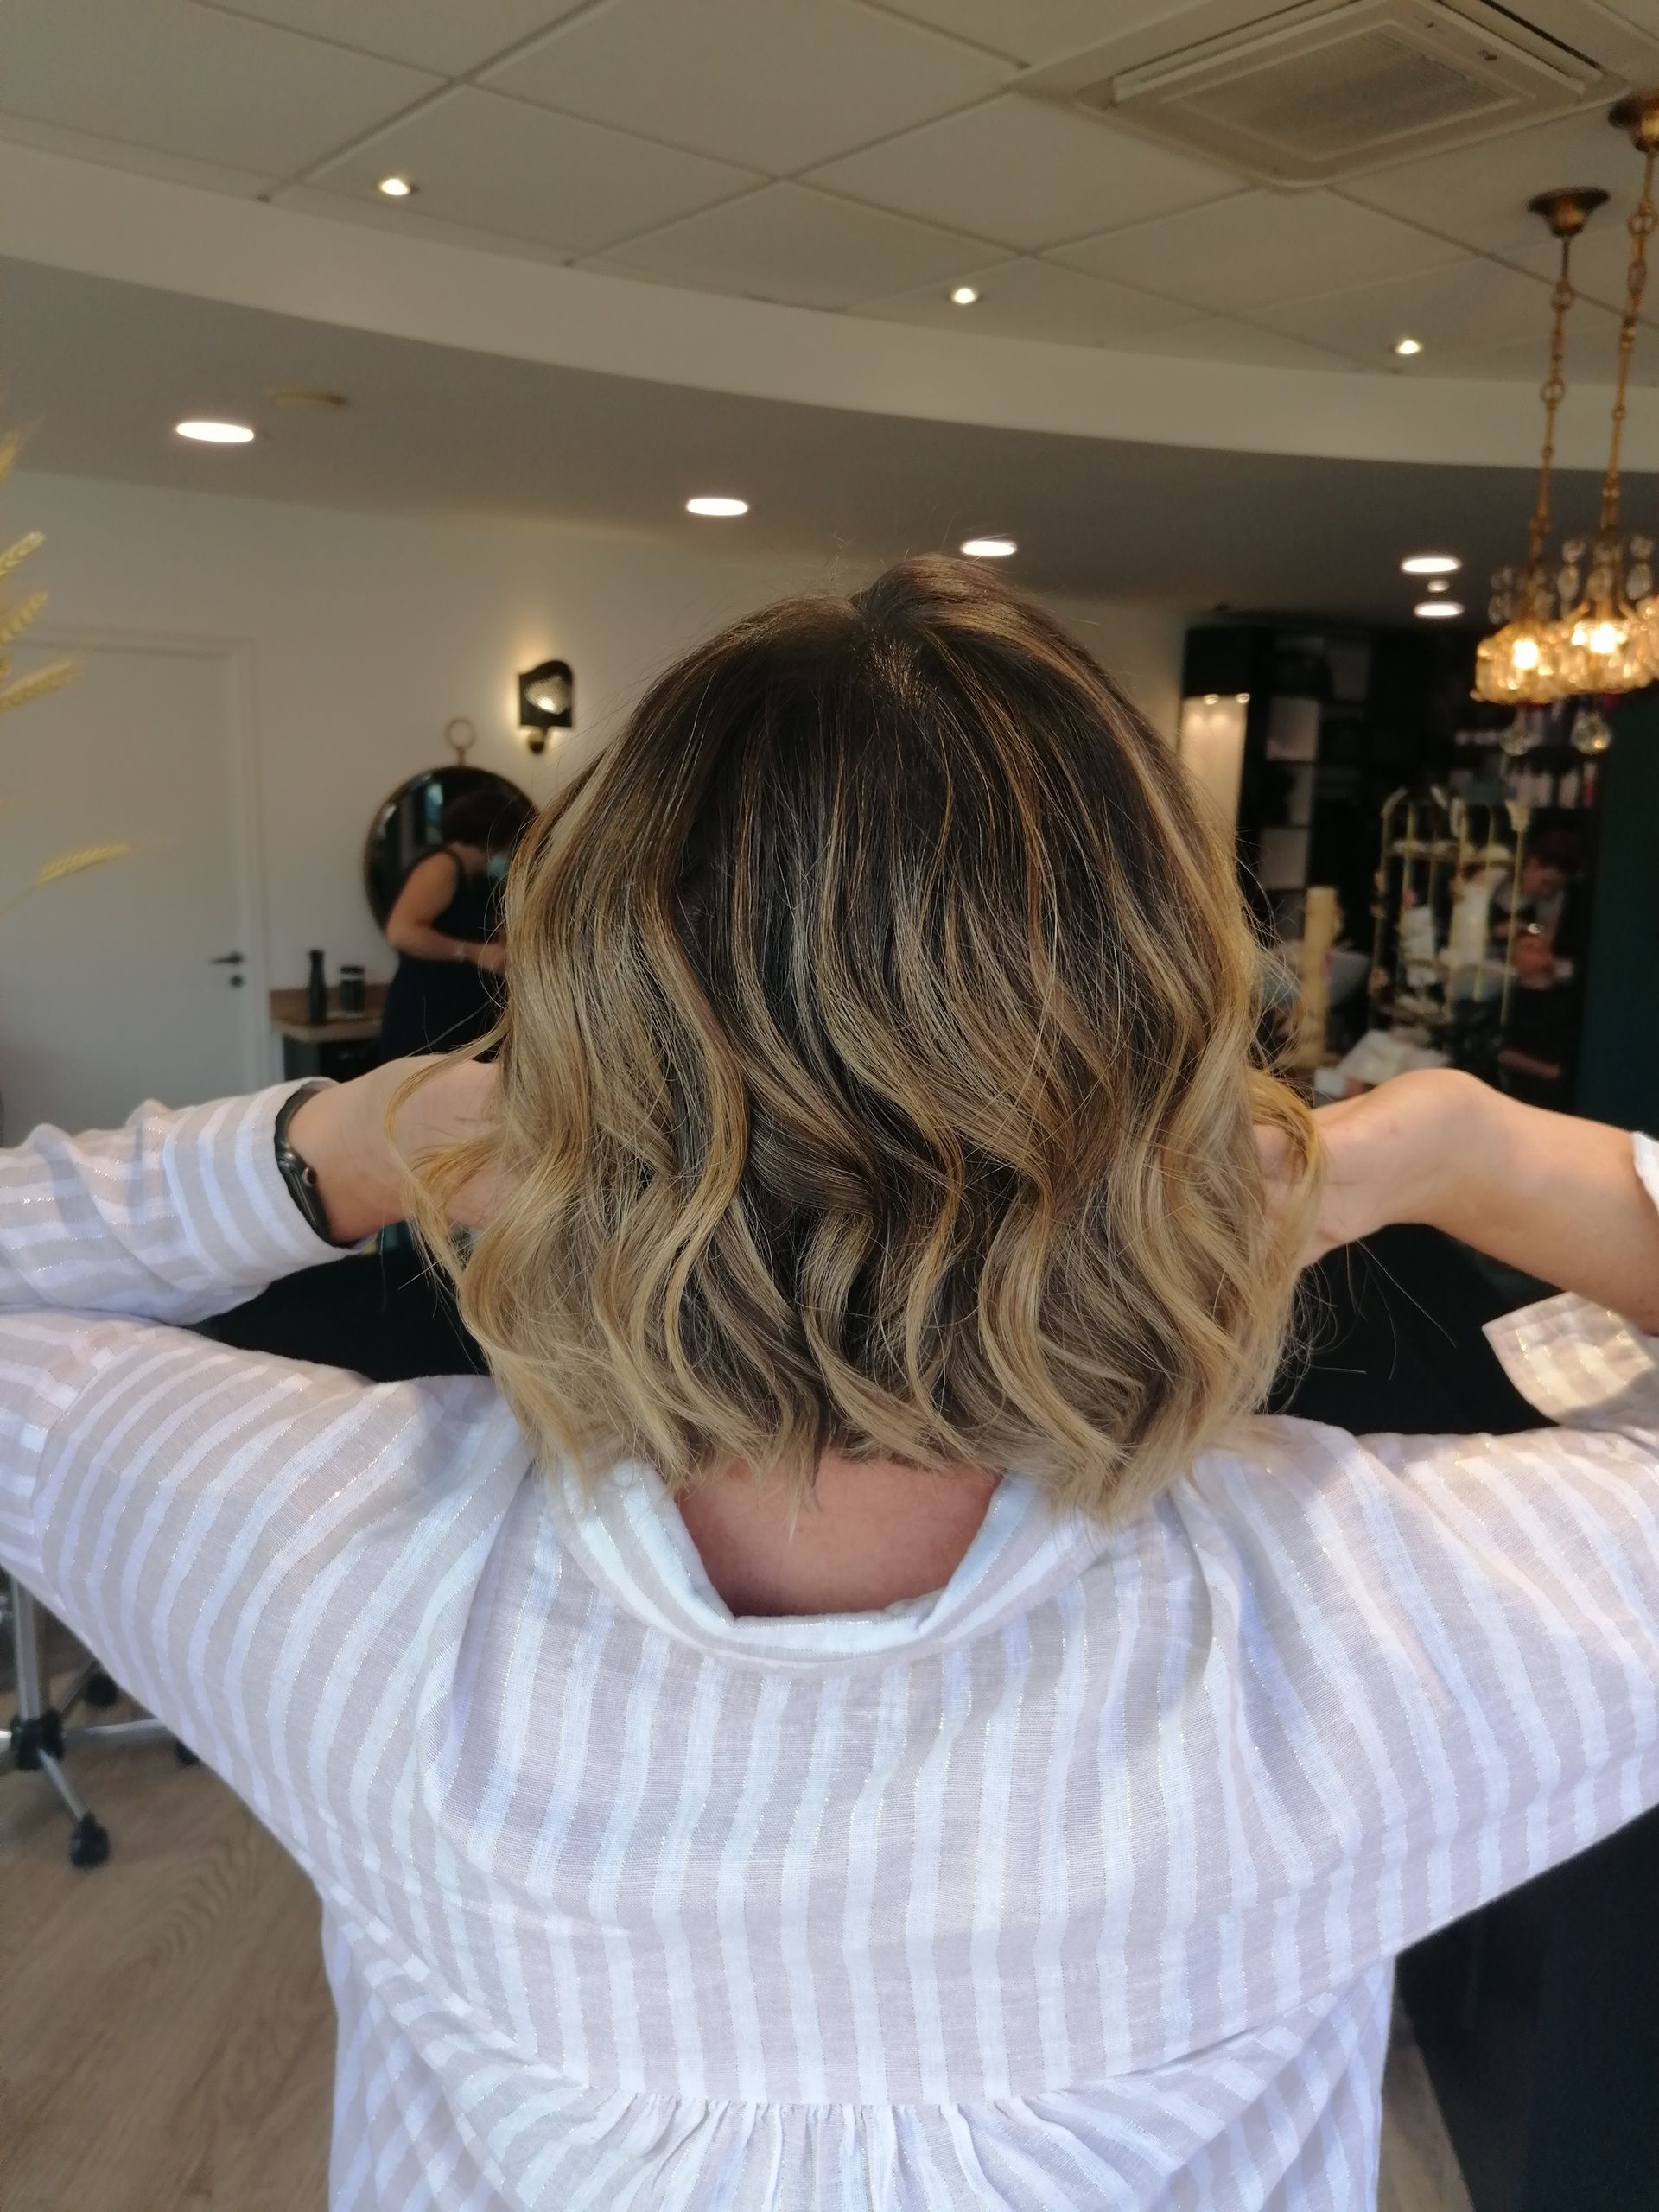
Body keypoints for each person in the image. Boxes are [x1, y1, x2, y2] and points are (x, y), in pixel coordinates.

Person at [2, 558, 1657, 2212]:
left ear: (571, 1066)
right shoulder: (1381, 1626)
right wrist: (1468, 1146)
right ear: (1179, 1069)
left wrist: (354, 1142)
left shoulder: (324, 1570)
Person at [377, 785, 531, 1060]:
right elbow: (401, 932)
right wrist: (473, 952)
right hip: (430, 1015)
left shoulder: (480, 879)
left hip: (464, 1018)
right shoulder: (441, 868)